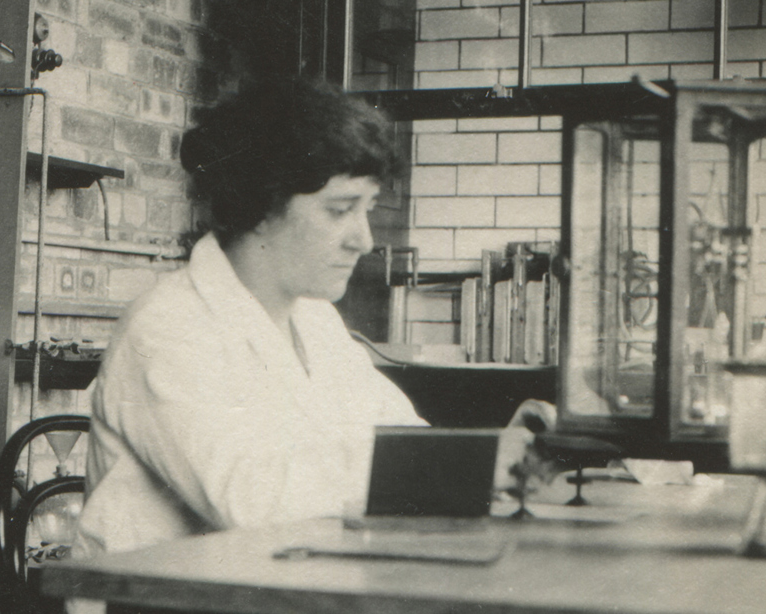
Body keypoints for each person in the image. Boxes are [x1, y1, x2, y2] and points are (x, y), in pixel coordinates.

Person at [72, 77, 554, 561]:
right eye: (340, 210)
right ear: (261, 204)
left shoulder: (314, 320)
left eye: (366, 210)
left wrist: (502, 450)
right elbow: (254, 499)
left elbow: (396, 436)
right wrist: (473, 466)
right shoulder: (168, 328)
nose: (363, 240)